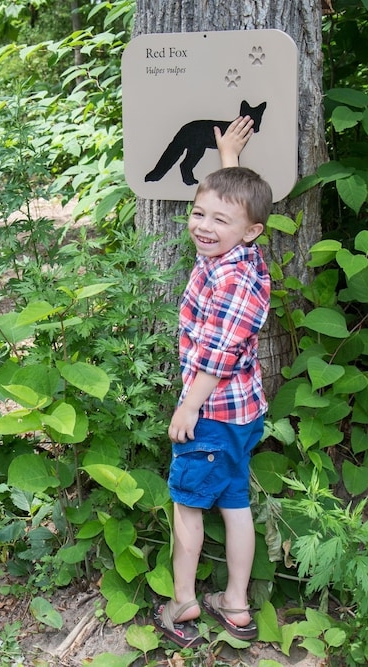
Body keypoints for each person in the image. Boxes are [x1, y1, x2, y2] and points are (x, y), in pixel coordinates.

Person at [152, 114, 272, 648]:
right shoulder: (245, 257)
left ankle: (183, 603)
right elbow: (234, 206)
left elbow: (219, 353)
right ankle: (238, 604)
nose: (204, 226)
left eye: (217, 221)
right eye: (198, 213)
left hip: (212, 413)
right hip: (244, 415)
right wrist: (229, 160)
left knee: (187, 506)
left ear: (249, 232)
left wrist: (189, 408)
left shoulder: (229, 280)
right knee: (235, 504)